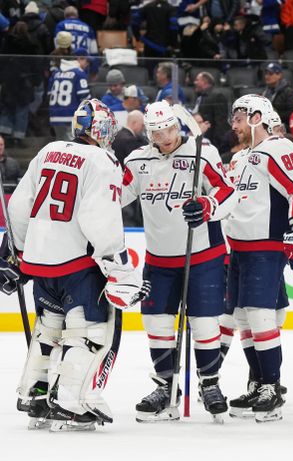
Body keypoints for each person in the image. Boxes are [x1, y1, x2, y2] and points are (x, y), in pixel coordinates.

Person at [1, 98, 148, 431]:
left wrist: (15, 253)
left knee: (49, 329)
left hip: (41, 263)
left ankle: (34, 394)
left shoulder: (48, 151)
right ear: (99, 129)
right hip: (77, 264)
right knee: (91, 332)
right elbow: (100, 220)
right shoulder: (102, 160)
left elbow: (20, 208)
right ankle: (70, 400)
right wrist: (119, 270)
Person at [121, 101, 236, 422]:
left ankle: (210, 384)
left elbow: (229, 191)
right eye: (157, 132)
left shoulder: (202, 154)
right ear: (148, 133)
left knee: (204, 323)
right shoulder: (138, 161)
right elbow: (114, 195)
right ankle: (165, 385)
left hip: (203, 255)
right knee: (156, 323)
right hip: (159, 259)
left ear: (178, 126)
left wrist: (207, 205)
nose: (165, 137)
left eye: (169, 129)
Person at [225, 94, 293, 421]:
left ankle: (271, 388)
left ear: (256, 117)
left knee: (260, 316)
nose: (233, 125)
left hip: (265, 246)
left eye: (238, 118)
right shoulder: (243, 158)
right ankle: (258, 380)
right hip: (240, 247)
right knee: (245, 319)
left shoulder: (275, 148)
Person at [47, 49, 90, 140]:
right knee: (72, 145)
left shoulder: (56, 73)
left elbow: (49, 95)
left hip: (54, 115)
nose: (87, 64)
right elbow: (85, 98)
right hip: (70, 116)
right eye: (86, 60)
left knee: (60, 144)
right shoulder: (79, 73)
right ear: (78, 59)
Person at [193, 72, 229, 152]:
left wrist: (217, 144)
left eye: (197, 80)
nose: (194, 82)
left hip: (213, 142)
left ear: (204, 82)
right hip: (202, 138)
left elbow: (221, 122)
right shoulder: (201, 96)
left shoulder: (217, 96)